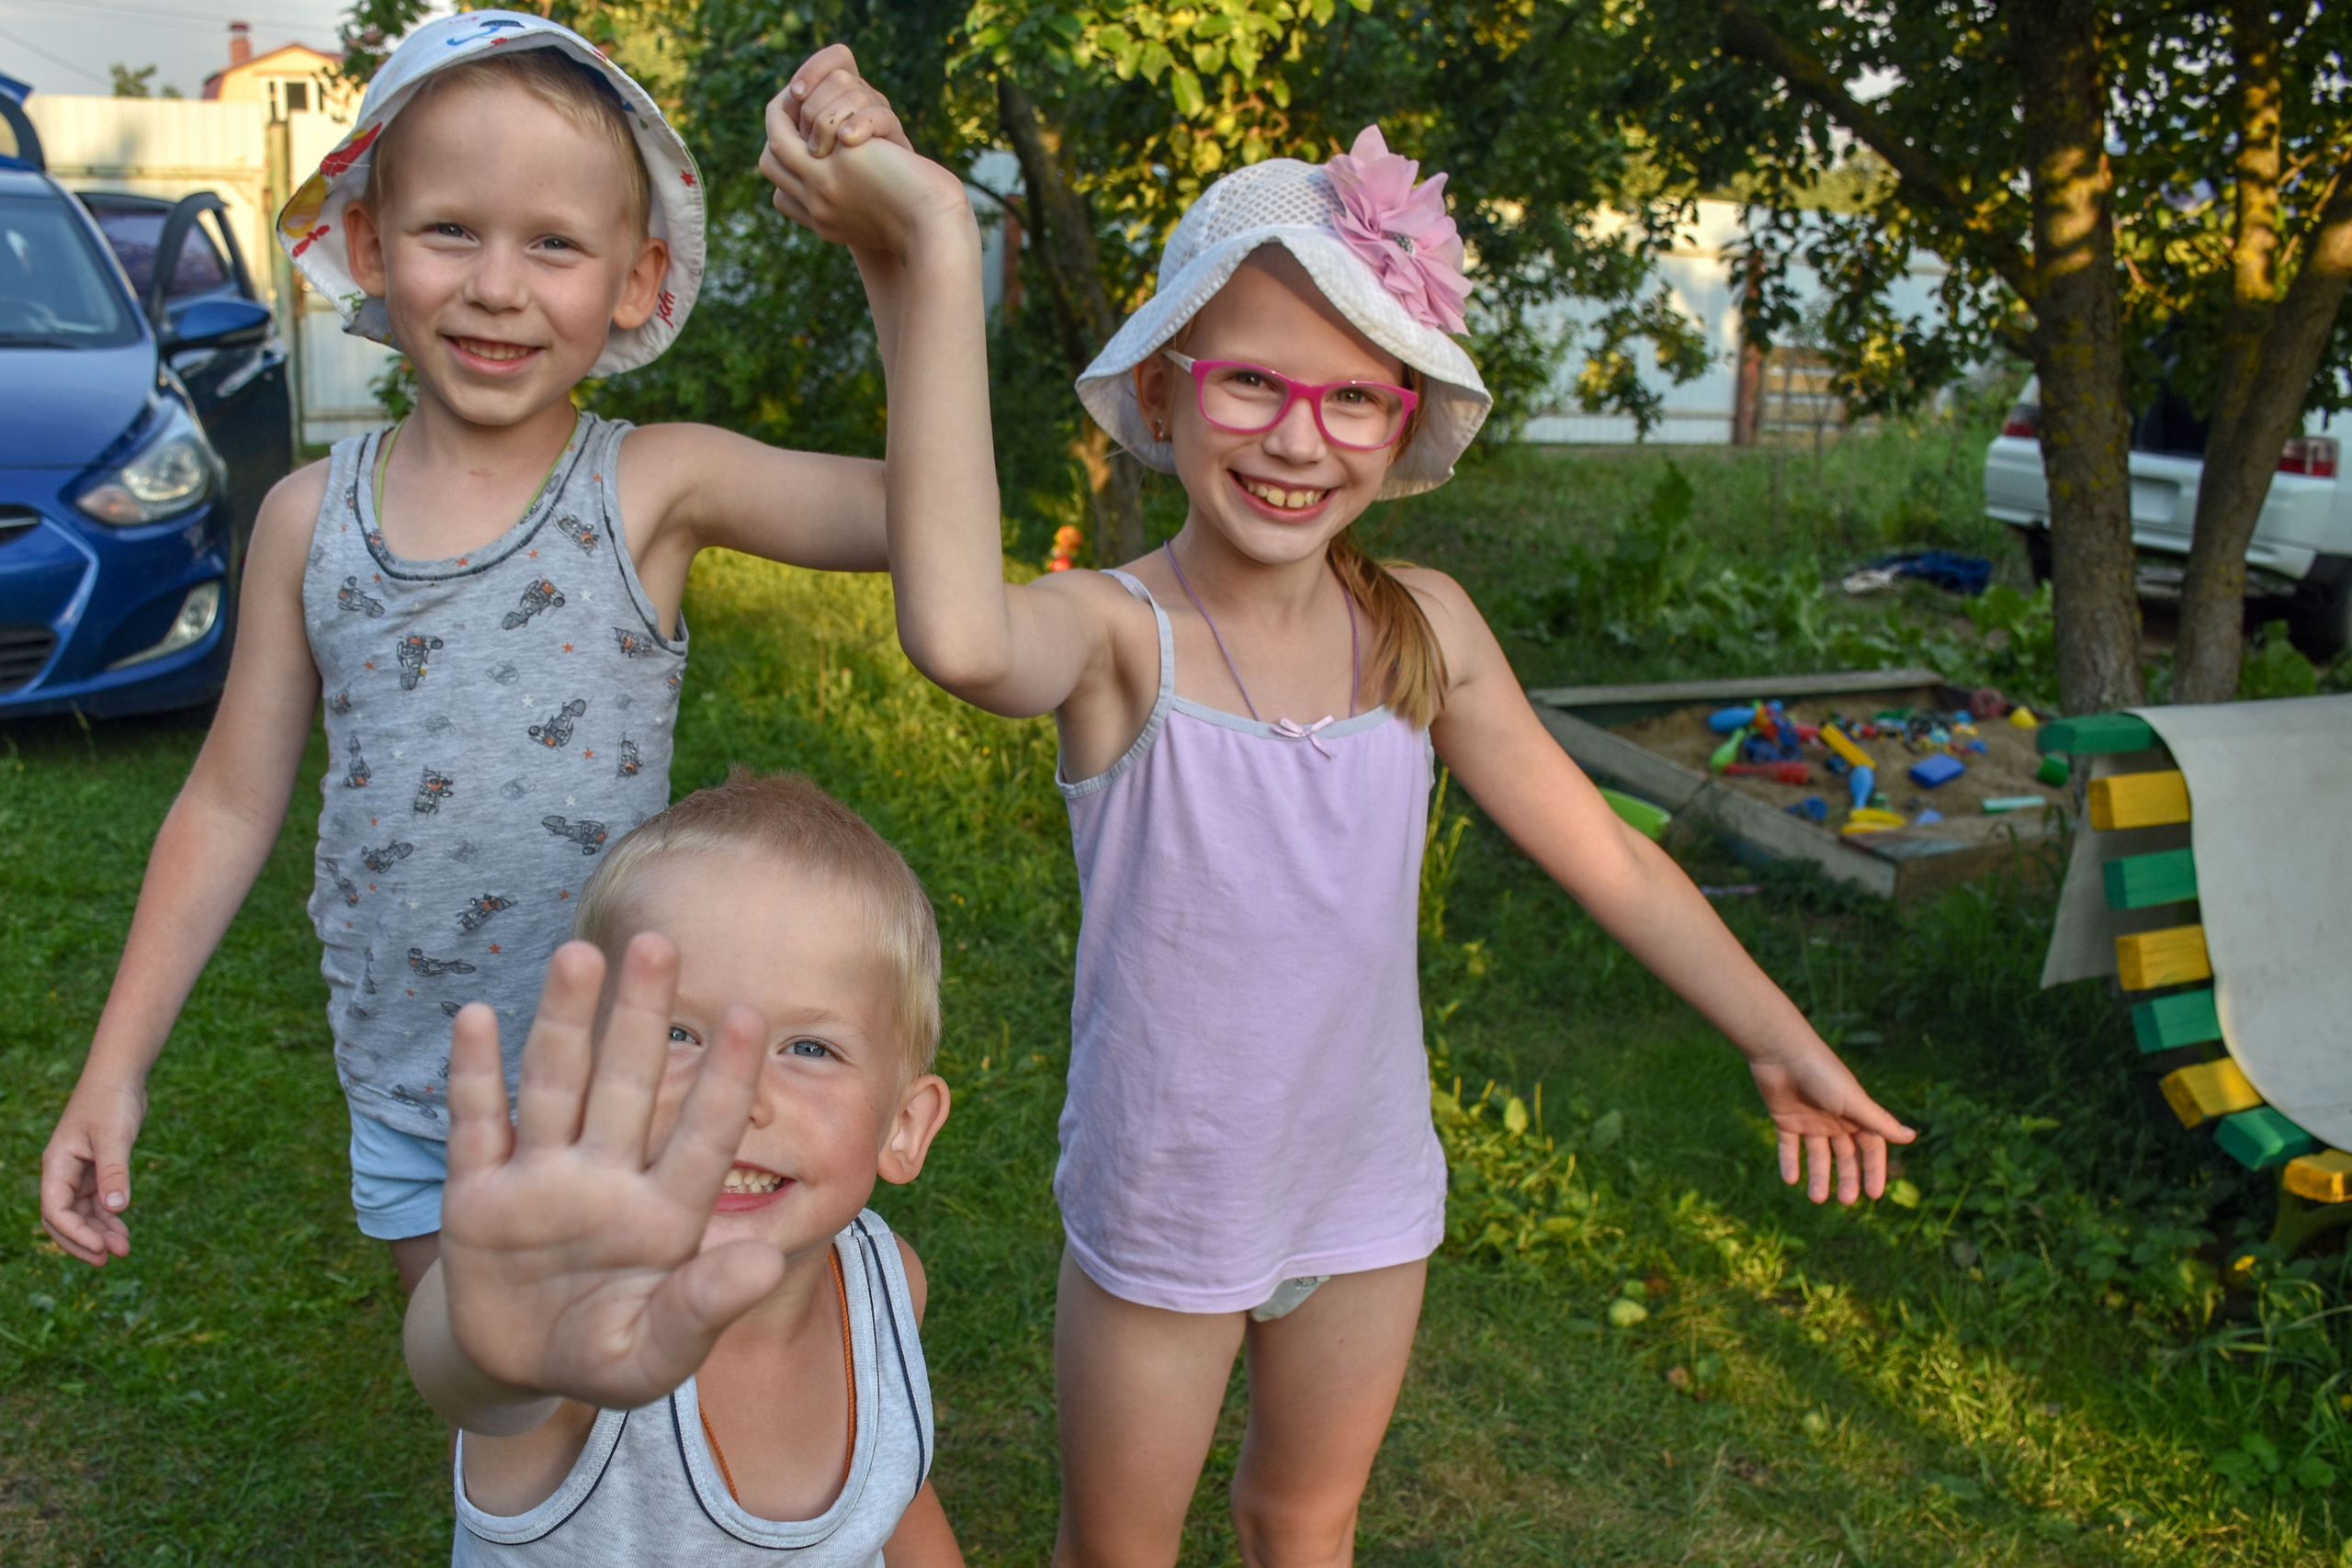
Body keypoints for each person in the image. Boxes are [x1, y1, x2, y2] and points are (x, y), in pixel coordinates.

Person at [851, 128, 1920, 1564]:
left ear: (1403, 419)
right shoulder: (1121, 637)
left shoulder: (1422, 627)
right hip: (1169, 1197)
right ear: (1165, 394)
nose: (1300, 439)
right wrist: (923, 247)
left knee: (1309, 1517)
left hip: (1362, 1191)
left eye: (1353, 398)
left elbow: (1604, 851)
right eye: (1253, 382)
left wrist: (1776, 1034)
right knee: (1118, 1548)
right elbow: (959, 633)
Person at [37, 14, 922, 1294]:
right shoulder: (305, 520)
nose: (498, 284)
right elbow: (228, 805)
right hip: (410, 1101)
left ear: (632, 280)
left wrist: (894, 254)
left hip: (630, 1088)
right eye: (452, 229)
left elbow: (923, 512)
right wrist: (113, 1066)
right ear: (367, 247)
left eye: (555, 243)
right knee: (493, 1423)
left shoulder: (651, 486)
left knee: (645, 1422)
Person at [403, 770, 962, 1564]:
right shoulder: (581, 1347)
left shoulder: (888, 1284)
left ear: (904, 1127)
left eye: (809, 1048)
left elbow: (895, 1499)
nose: (729, 1095)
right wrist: (495, 1347)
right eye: (675, 1034)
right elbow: (476, 1387)